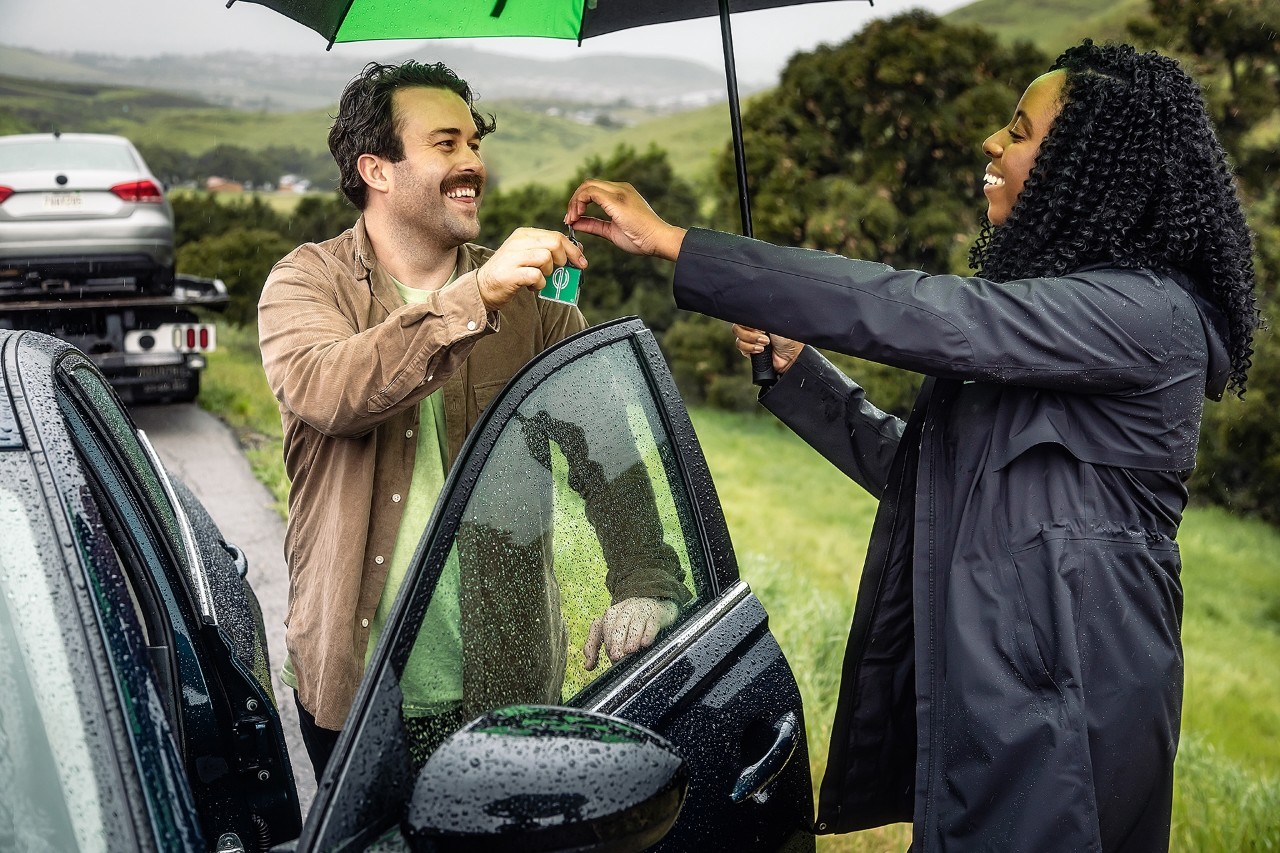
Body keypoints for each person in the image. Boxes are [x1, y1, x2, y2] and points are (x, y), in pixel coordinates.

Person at [565, 41, 1259, 852]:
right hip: (988, 717)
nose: (991, 145)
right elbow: (926, 475)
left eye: (1020, 129)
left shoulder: (1148, 319)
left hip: (1067, 730)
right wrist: (799, 371)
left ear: (1092, 165)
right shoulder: (1057, 320)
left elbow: (927, 313)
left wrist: (680, 244)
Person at [258, 60, 688, 780]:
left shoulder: (538, 309)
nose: (472, 164)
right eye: (446, 144)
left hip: (507, 688)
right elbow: (327, 388)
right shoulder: (306, 281)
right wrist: (471, 299)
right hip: (357, 687)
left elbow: (609, 466)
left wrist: (644, 581)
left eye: (476, 144)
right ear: (377, 170)